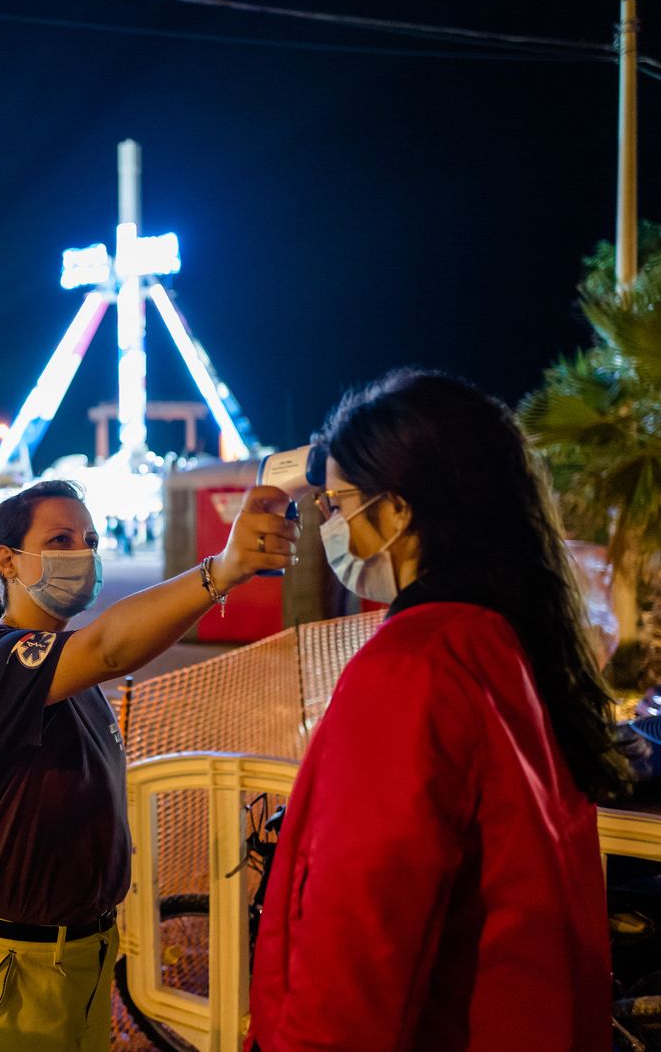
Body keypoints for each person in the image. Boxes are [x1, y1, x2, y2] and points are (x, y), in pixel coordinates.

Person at [247, 370, 626, 1051]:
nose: (331, 528)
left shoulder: (411, 665)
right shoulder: (502, 640)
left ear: (396, 512)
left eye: (337, 505)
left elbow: (358, 939)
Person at [0, 477, 294, 1050]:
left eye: (88, 538)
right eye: (60, 540)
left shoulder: (68, 674)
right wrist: (224, 569)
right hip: (2, 971)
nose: (81, 553)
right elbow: (111, 646)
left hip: (80, 960)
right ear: (7, 561)